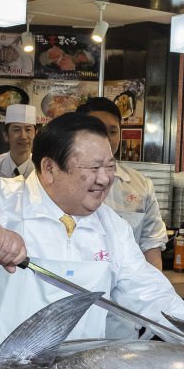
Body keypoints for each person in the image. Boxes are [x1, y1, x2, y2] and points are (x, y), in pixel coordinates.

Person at [0, 112, 184, 362]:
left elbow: (153, 296)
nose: (104, 179)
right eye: (92, 169)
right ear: (50, 168)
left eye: (110, 167)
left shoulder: (112, 226)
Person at [76, 97, 168, 269]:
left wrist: (154, 291)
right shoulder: (65, 181)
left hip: (126, 286)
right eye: (99, 130)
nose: (107, 138)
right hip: (79, 282)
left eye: (113, 131)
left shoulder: (141, 185)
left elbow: (151, 245)